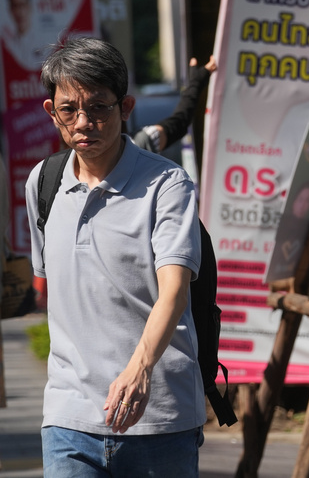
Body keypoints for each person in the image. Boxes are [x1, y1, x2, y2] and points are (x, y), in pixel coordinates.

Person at [27, 37, 205, 476]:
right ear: (52, 112)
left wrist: (139, 369)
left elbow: (174, 292)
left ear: (125, 107)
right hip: (69, 421)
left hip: (161, 420)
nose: (84, 122)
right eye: (69, 110)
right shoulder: (43, 182)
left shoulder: (168, 186)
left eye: (99, 107)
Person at [132, 55, 218, 154]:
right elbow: (179, 122)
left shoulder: (138, 144)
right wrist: (196, 83)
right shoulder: (137, 145)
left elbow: (178, 123)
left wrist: (196, 83)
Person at [2, 0, 48, 69]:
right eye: (15, 6)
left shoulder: (43, 42)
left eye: (22, 5)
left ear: (29, 6)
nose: (20, 12)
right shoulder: (7, 44)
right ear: (10, 9)